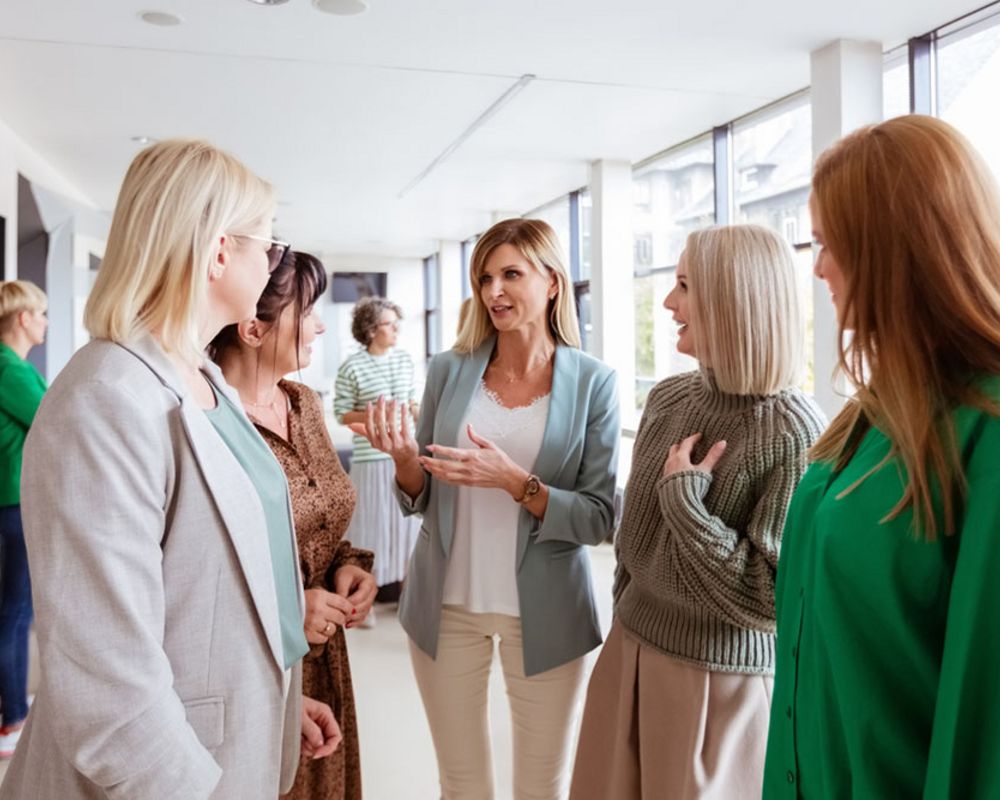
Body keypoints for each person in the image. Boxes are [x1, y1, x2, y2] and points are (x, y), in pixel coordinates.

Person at [0, 139, 340, 800]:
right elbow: (109, 677)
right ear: (218, 251)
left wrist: (268, 703)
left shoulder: (203, 377)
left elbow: (206, 588)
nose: (273, 264)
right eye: (267, 248)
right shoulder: (106, 398)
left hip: (225, 742)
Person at [763, 116, 1000, 797]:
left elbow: (982, 720)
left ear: (897, 250)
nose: (819, 268)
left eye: (831, 244)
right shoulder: (869, 415)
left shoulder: (984, 427)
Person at [351, 218, 619, 800]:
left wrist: (517, 483)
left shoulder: (594, 382)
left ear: (552, 283)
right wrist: (404, 460)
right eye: (485, 277)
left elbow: (599, 517)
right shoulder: (450, 370)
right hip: (447, 605)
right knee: (462, 784)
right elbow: (421, 494)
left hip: (547, 612)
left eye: (511, 274)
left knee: (541, 788)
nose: (494, 290)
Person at [570, 225, 825, 800]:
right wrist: (623, 635)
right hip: (628, 652)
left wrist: (688, 508)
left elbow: (770, 600)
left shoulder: (793, 431)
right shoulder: (668, 397)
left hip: (718, 685)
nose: (667, 302)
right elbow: (631, 547)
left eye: (685, 285)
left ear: (734, 299)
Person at [210, 250, 378, 800]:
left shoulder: (303, 403)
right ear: (252, 327)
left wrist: (348, 568)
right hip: (249, 664)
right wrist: (286, 608)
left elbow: (319, 522)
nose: (321, 324)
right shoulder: (206, 418)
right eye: (307, 311)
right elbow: (194, 568)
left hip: (324, 658)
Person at [334, 296, 420, 614]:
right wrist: (376, 417)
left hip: (404, 455)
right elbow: (342, 413)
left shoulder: (404, 360)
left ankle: (410, 599)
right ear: (371, 330)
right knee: (369, 530)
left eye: (397, 322)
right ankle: (360, 603)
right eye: (389, 323)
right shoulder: (352, 366)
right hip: (370, 460)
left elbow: (411, 402)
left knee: (408, 530)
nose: (396, 328)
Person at [0, 280, 48, 759]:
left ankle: (12, 707)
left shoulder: (13, 367)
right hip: (11, 503)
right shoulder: (8, 368)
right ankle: (12, 717)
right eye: (41, 314)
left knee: (13, 613)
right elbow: (53, 418)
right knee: (14, 614)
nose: (45, 322)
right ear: (21, 319)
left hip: (12, 502)